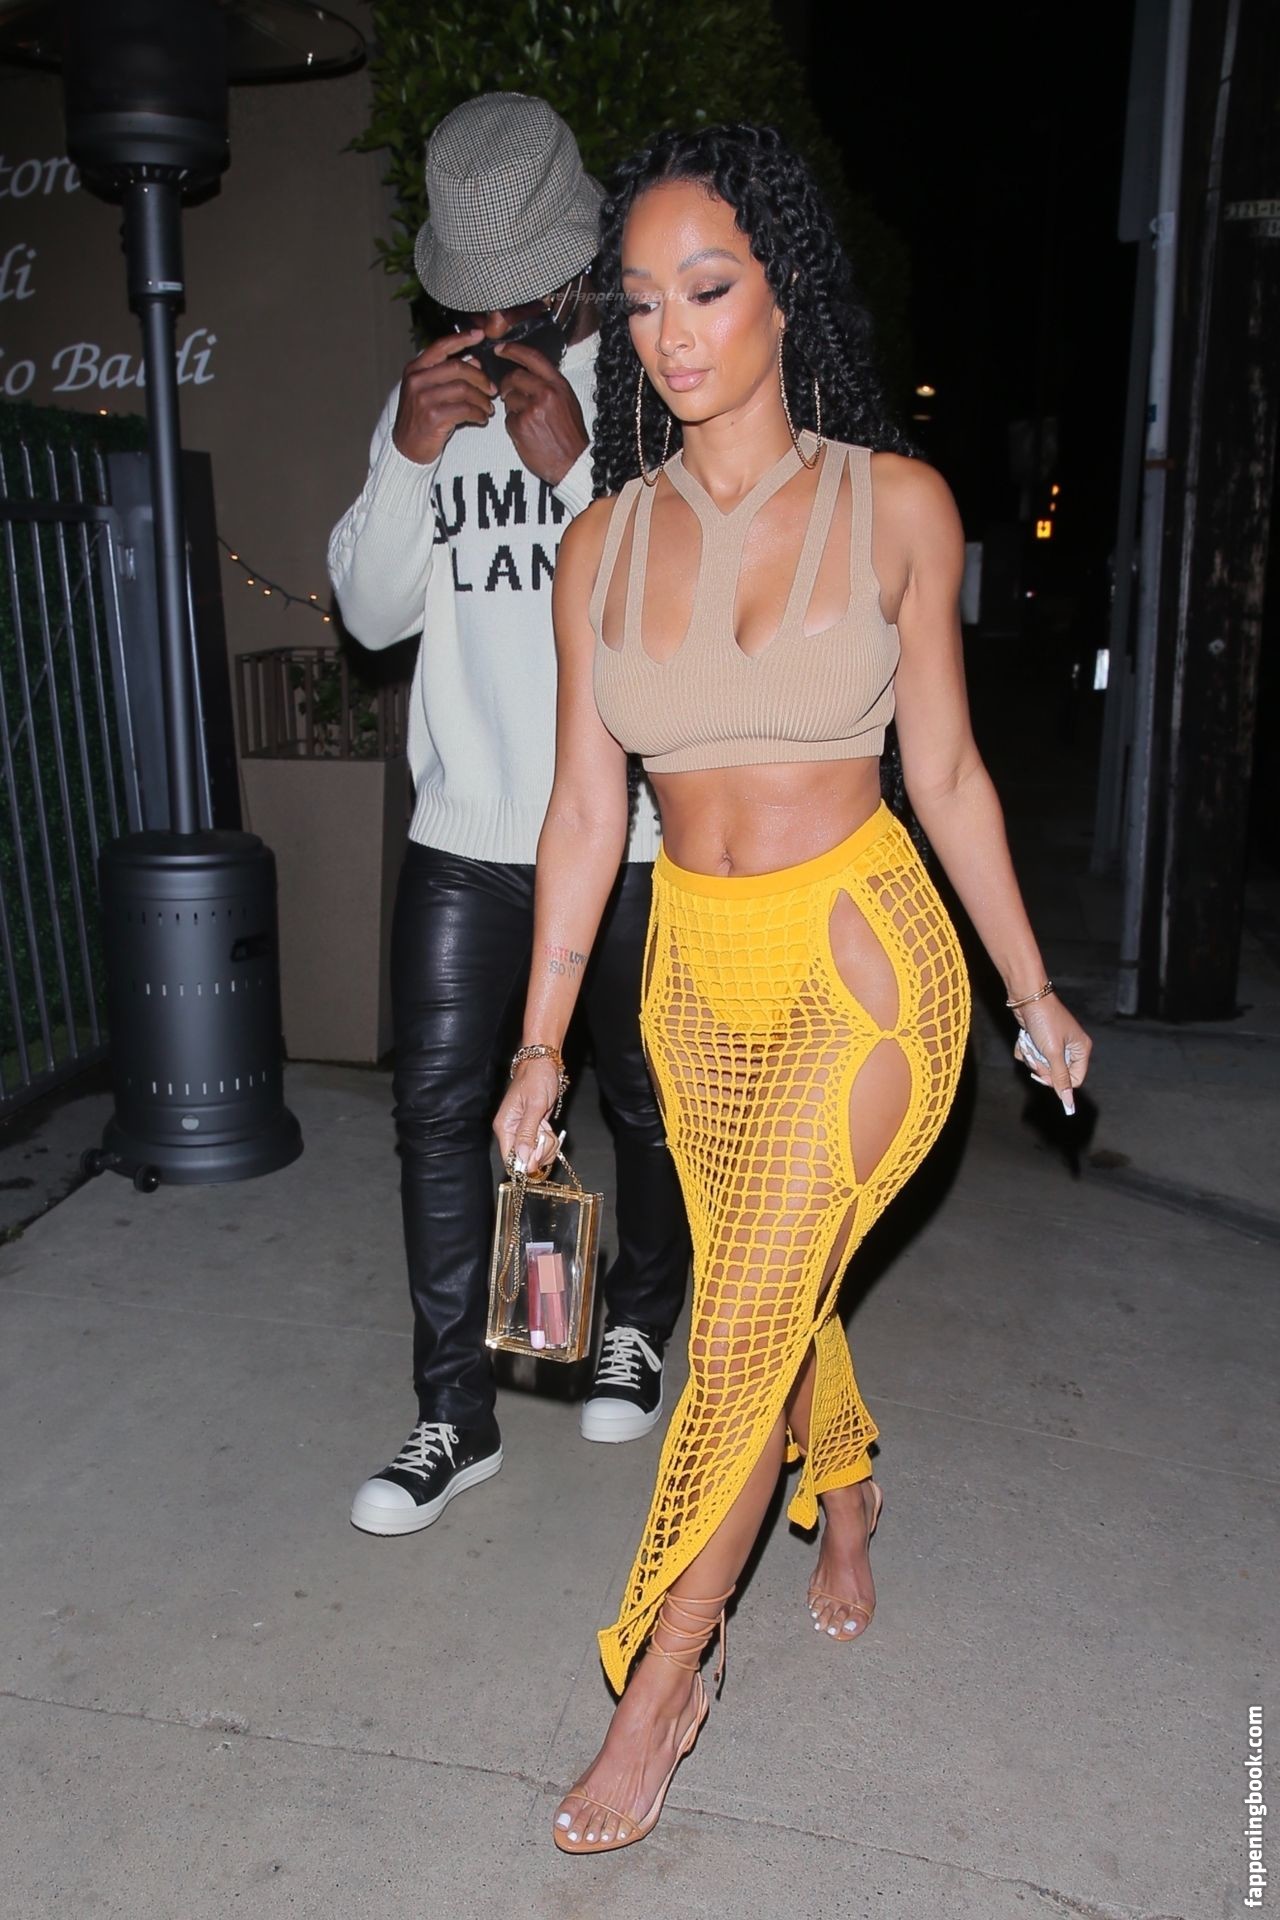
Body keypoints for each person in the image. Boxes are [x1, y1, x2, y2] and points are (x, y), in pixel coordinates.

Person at [494, 121, 1093, 1853]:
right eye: (642, 302)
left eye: (708, 288)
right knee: (782, 1270)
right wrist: (539, 1045)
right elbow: (583, 814)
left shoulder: (899, 506)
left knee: (743, 1312)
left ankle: (661, 1678)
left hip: (865, 962)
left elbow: (949, 775)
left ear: (784, 292)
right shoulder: (601, 546)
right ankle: (852, 1483)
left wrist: (1032, 990)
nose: (672, 333)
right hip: (696, 980)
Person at [328, 93, 690, 1539]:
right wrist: (411, 460)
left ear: (575, 267)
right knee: (434, 1116)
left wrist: (580, 471)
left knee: (644, 1099)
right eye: (470, 306)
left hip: (628, 837)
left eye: (517, 301)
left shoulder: (649, 389)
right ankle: (453, 1414)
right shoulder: (424, 402)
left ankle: (637, 1325)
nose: (492, 330)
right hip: (466, 833)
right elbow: (370, 616)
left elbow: (686, 628)